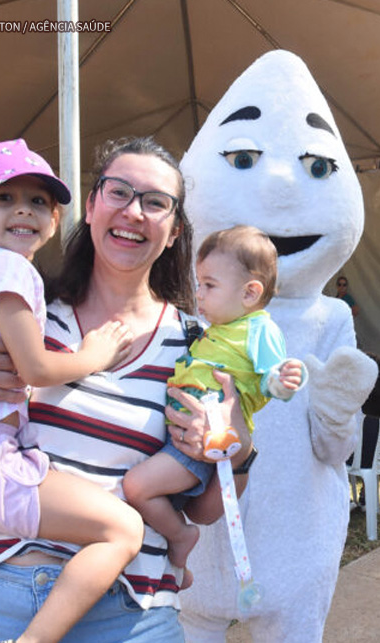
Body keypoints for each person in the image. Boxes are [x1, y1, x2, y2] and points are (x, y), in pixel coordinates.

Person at [0, 136, 253, 642]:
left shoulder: (198, 349)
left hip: (125, 614)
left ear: (174, 229)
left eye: (155, 202)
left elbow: (202, 508)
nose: (134, 212)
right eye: (118, 192)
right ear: (90, 207)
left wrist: (238, 447)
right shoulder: (17, 309)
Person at [123, 225, 305, 570]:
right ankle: (173, 569)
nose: (199, 293)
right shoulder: (216, 331)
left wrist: (286, 379)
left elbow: (273, 379)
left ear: (250, 293)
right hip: (182, 439)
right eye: (198, 283)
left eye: (209, 285)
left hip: (198, 443)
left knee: (136, 486)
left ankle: (179, 537)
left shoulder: (258, 328)